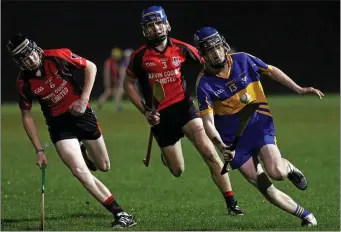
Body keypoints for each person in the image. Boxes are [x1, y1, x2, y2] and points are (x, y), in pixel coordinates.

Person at [194, 27, 324, 226]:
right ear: (202, 55)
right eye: (209, 50)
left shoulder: (243, 60)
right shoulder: (204, 85)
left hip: (258, 124)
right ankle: (306, 216)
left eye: (217, 46)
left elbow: (271, 71)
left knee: (277, 172)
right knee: (265, 187)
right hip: (232, 140)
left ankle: (287, 167)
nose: (216, 52)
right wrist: (222, 147)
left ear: (223, 44)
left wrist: (298, 89)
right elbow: (208, 124)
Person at [123, 6, 243, 215]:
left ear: (167, 24)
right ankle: (167, 157)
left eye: (158, 23)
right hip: (161, 118)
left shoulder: (182, 48)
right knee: (177, 170)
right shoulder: (139, 56)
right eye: (150, 26)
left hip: (185, 109)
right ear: (145, 30)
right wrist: (145, 111)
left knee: (210, 154)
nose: (155, 28)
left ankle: (232, 204)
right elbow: (128, 84)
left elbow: (210, 64)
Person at [8, 34, 136, 228]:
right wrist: (39, 150)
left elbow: (91, 66)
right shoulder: (24, 83)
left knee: (104, 166)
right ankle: (120, 214)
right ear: (20, 62)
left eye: (31, 53)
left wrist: (84, 100)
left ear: (36, 48)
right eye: (25, 58)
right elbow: (26, 116)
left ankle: (84, 150)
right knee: (79, 171)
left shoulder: (57, 56)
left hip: (82, 115)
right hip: (59, 127)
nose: (32, 59)